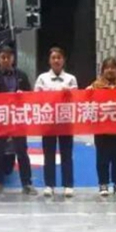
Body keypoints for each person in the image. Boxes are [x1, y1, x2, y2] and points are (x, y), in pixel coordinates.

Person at [0, 45, 38, 196]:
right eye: (3, 57)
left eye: (8, 57)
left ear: (13, 58)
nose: (6, 60)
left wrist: (22, 95)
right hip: (0, 119)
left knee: (22, 151)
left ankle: (27, 183)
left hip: (18, 118)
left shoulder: (22, 75)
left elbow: (30, 95)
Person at [34, 47, 78, 198]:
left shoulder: (71, 79)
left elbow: (76, 98)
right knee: (49, 154)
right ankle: (49, 185)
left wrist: (69, 94)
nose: (56, 60)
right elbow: (36, 98)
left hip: (66, 121)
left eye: (59, 57)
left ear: (63, 60)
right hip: (48, 121)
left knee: (67, 154)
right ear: (49, 60)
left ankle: (68, 185)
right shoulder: (42, 78)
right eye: (53, 58)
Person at [89, 57, 116, 198]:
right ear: (102, 71)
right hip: (101, 129)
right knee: (102, 157)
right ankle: (103, 183)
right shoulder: (95, 86)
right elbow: (85, 99)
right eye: (107, 67)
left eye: (113, 67)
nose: (110, 70)